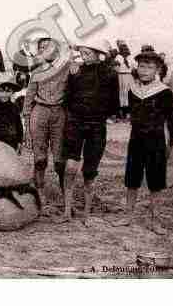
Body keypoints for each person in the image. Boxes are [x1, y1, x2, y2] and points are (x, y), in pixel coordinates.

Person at [112, 46, 173, 235]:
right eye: (141, 66)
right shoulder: (133, 90)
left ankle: (155, 220)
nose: (144, 70)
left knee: (155, 181)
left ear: (157, 69)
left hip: (156, 140)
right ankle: (128, 216)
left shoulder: (164, 92)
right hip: (136, 139)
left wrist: (171, 144)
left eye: (149, 67)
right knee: (132, 178)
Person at [59, 40, 120, 225]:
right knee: (70, 167)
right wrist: (74, 114)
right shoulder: (75, 72)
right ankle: (67, 211)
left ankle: (87, 214)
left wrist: (99, 114)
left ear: (97, 53)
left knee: (90, 170)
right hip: (75, 124)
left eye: (88, 53)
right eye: (82, 53)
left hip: (96, 126)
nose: (84, 57)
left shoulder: (110, 74)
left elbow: (114, 103)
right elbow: (67, 97)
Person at [23, 37, 72, 209]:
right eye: (42, 47)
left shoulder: (67, 68)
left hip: (59, 112)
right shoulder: (37, 72)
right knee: (40, 158)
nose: (46, 50)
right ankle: (39, 194)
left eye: (49, 46)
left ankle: (66, 197)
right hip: (40, 111)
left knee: (60, 159)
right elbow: (29, 98)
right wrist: (27, 125)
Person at [114, 40, 133, 121]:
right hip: (122, 76)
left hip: (127, 76)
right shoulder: (119, 57)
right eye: (122, 48)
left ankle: (127, 114)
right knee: (123, 94)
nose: (124, 49)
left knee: (127, 94)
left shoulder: (129, 57)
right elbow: (116, 67)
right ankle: (124, 114)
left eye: (124, 47)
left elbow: (133, 67)